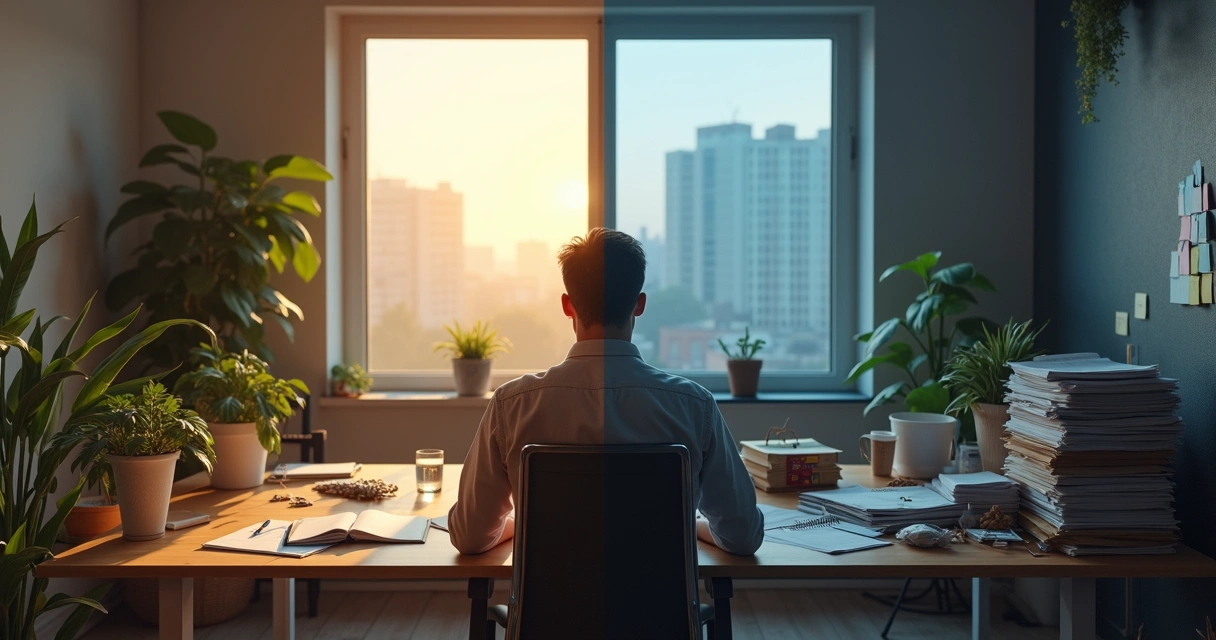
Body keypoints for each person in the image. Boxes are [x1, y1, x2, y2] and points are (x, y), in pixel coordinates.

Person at [447, 228, 764, 556]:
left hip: (551, 609)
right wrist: (686, 526)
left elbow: (470, 536)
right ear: (639, 304)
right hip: (659, 609)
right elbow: (743, 536)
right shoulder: (693, 406)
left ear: (567, 306)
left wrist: (527, 524)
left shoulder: (513, 404)